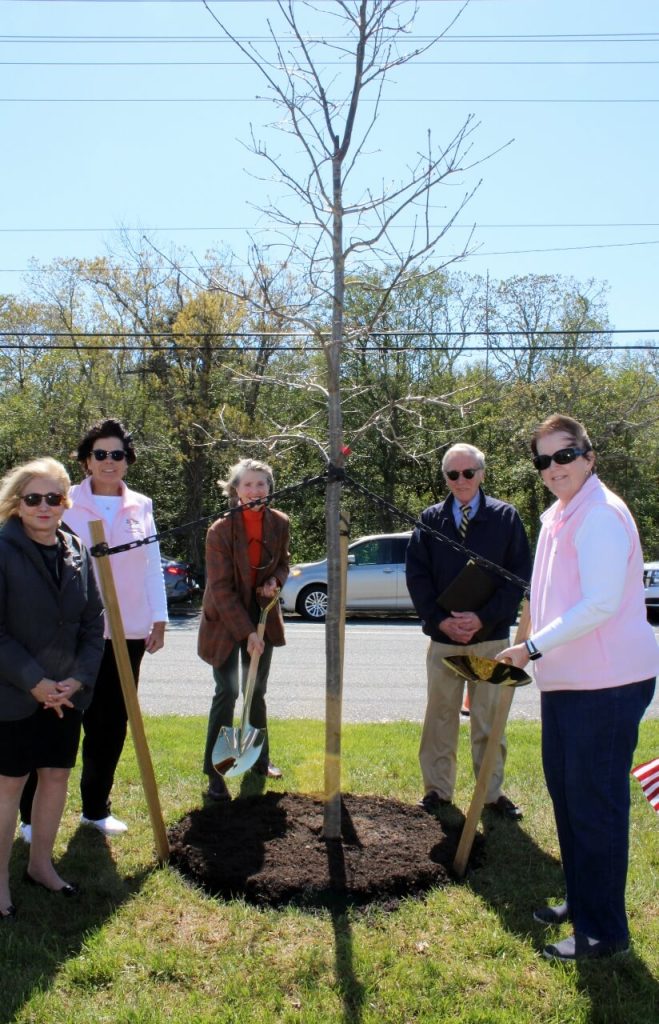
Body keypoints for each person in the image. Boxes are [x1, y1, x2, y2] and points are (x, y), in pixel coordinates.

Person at [497, 414, 658, 962]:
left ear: (589, 456)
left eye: (563, 456)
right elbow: (546, 596)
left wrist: (531, 648)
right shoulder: (559, 516)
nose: (552, 468)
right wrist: (530, 641)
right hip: (568, 682)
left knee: (596, 806)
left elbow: (601, 604)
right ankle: (583, 901)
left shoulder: (602, 515)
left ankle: (605, 933)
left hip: (608, 684)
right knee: (569, 798)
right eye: (543, 460)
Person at [19, 419, 168, 838]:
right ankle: (30, 817)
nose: (108, 461)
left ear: (127, 461)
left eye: (116, 454)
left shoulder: (142, 504)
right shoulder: (64, 504)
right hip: (70, 634)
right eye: (100, 454)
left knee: (110, 723)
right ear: (86, 460)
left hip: (127, 631)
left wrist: (159, 617)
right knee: (53, 718)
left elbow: (152, 566)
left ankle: (96, 810)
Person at [0, 457, 104, 918]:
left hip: (67, 694)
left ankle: (40, 866)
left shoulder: (76, 548)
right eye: (34, 498)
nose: (45, 506)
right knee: (8, 786)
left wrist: (77, 679)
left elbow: (91, 622)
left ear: (66, 502)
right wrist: (35, 683)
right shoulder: (2, 549)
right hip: (14, 695)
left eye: (54, 498)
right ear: (16, 503)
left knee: (56, 776)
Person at [405, 443, 532, 819]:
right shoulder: (430, 519)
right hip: (445, 642)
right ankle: (437, 791)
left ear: (482, 473)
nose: (461, 481)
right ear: (445, 477)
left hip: (491, 639)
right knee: (440, 718)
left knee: (489, 719)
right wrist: (440, 621)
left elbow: (517, 577)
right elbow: (418, 577)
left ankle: (490, 795)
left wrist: (484, 619)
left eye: (468, 473)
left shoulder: (505, 518)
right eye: (453, 474)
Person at [198, 458, 290, 801]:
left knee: (257, 693)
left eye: (262, 484)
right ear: (235, 490)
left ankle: (258, 761)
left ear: (270, 488)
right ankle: (215, 772)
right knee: (228, 693)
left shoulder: (279, 522)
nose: (255, 490)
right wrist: (247, 632)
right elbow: (220, 590)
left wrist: (273, 581)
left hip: (262, 615)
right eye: (248, 484)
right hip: (224, 621)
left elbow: (283, 562)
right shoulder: (220, 530)